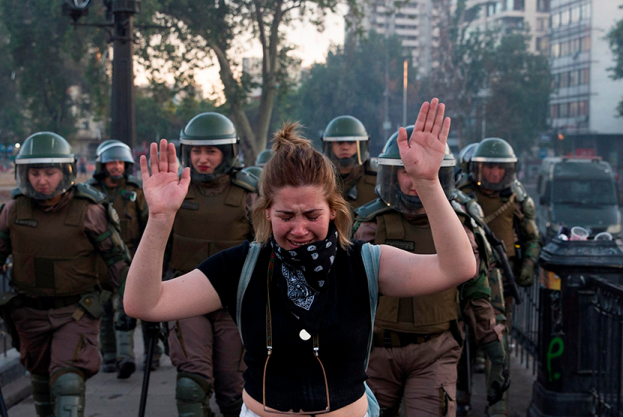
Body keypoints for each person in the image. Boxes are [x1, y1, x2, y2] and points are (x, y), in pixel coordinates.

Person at [125, 99, 478, 417]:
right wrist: (160, 218)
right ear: (266, 211)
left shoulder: (364, 264)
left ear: (334, 210)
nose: (299, 229)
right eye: (285, 216)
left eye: (312, 215)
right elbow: (144, 303)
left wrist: (427, 183)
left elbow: (458, 267)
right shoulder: (242, 267)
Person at [0, 132, 130, 417]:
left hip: (76, 311)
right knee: (41, 381)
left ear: (65, 172)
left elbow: (117, 261)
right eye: (35, 173)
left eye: (49, 173)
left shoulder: (89, 210)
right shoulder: (13, 210)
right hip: (29, 312)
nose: (42, 180)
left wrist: (129, 304)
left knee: (68, 382)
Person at [351, 128, 506, 417]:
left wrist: (494, 350)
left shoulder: (459, 228)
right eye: (406, 172)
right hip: (376, 352)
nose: (414, 182)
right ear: (393, 174)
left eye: (423, 172)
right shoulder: (369, 224)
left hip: (435, 350)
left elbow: (477, 293)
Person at [165, 112, 260, 417]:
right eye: (196, 151)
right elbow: (156, 247)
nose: (202, 159)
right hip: (185, 299)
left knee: (234, 392)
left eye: (211, 151)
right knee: (191, 385)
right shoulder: (175, 190)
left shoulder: (248, 194)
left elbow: (265, 250)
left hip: (233, 303)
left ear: (227, 153)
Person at [461, 137, 540, 416]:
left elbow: (532, 237)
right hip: (465, 278)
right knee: (463, 342)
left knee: (498, 342)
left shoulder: (516, 197)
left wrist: (528, 264)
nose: (495, 173)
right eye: (489, 167)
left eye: (500, 168)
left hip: (502, 281)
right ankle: (461, 400)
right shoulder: (461, 193)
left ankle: (498, 407)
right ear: (478, 168)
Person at [86, 139, 162, 379]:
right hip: (100, 262)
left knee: (135, 308)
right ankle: (109, 356)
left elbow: (149, 224)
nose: (116, 166)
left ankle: (143, 355)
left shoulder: (136, 191)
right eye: (112, 162)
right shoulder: (90, 193)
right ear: (102, 165)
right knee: (105, 308)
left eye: (120, 162)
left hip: (131, 260)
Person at [321, 116, 377, 209]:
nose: (345, 147)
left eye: (351, 142)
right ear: (330, 146)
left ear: (361, 145)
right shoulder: (319, 178)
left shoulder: (376, 176)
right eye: (339, 143)